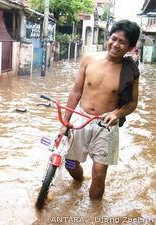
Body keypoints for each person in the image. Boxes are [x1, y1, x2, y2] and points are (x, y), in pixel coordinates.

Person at [63, 20, 140, 200]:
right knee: (70, 163)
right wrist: (65, 122)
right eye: (114, 38)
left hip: (106, 124)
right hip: (80, 118)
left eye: (122, 42)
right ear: (109, 37)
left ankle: (94, 214)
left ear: (130, 47)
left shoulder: (130, 71)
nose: (115, 44)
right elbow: (76, 91)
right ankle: (79, 181)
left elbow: (132, 103)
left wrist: (117, 114)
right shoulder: (89, 60)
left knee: (99, 173)